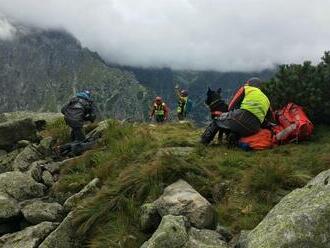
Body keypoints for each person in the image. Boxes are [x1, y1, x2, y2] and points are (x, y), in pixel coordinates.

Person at [201, 77, 272, 145]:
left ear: (250, 83)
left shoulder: (246, 89)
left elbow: (230, 106)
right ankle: (234, 139)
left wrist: (230, 113)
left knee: (217, 120)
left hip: (241, 117)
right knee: (239, 128)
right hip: (254, 128)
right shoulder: (266, 99)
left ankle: (204, 141)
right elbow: (271, 118)